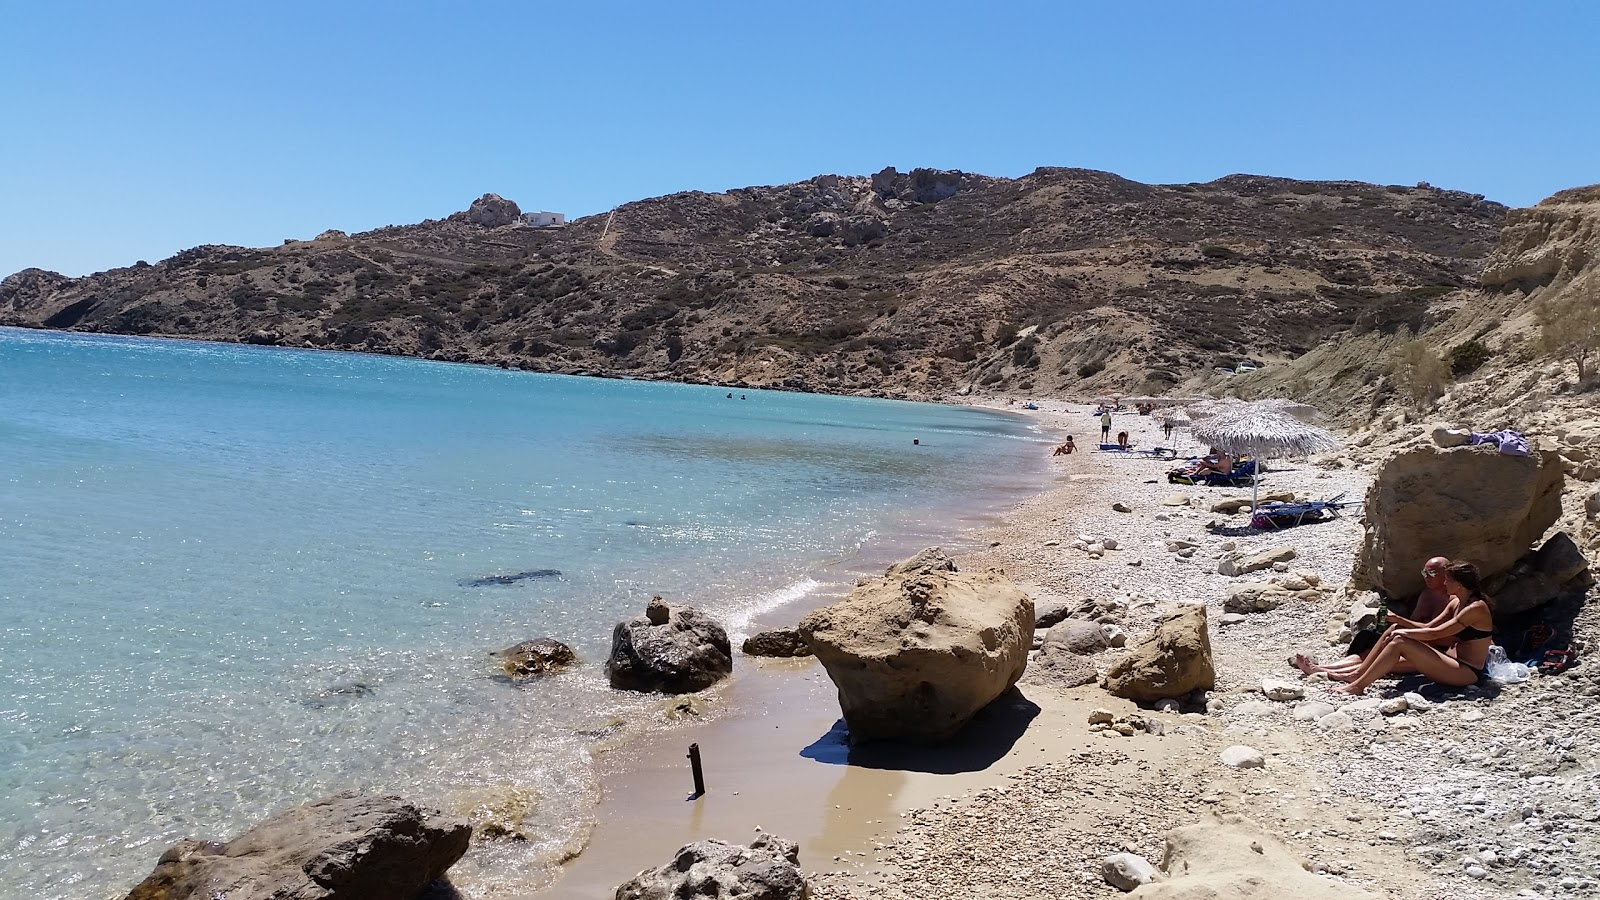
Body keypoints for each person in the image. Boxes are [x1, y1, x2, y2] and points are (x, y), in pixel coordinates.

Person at [1328, 561, 1495, 695]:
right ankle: (1358, 677)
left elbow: (1434, 633)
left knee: (1400, 639)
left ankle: (1357, 685)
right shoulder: (1456, 602)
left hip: (1467, 672)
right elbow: (1429, 626)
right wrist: (1398, 628)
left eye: (1448, 580)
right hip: (1451, 662)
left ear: (1459, 584)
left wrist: (1402, 632)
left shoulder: (1475, 608)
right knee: (1396, 635)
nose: (1445, 583)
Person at [1295, 557, 1455, 677]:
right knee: (1368, 652)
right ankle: (1326, 668)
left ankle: (1330, 674)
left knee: (1379, 660)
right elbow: (1415, 622)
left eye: (1431, 573)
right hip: (1418, 643)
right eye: (1424, 573)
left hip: (1438, 652)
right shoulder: (1427, 595)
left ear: (1447, 574)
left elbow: (1441, 635)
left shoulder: (1453, 601)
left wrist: (1401, 622)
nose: (1426, 577)